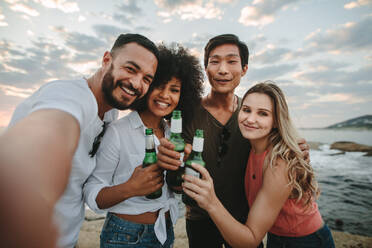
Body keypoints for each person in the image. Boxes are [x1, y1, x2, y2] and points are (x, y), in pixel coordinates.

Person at [0, 33, 159, 248]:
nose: (136, 83)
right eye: (130, 69)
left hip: (68, 238)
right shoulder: (69, 96)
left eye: (146, 79)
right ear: (106, 61)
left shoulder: (110, 113)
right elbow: (49, 132)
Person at [157, 34, 310, 248]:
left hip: (244, 220)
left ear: (244, 69)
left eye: (231, 61)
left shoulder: (252, 119)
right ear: (205, 68)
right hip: (199, 220)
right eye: (215, 61)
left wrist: (296, 148)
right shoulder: (185, 113)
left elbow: (279, 148)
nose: (222, 69)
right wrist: (170, 164)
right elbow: (173, 171)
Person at [183, 82, 335, 248]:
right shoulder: (251, 145)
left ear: (276, 121)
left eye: (263, 114)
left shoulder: (279, 161)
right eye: (246, 110)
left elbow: (251, 240)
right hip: (276, 238)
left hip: (306, 241)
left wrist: (211, 202)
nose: (250, 119)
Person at [83, 44, 204, 248]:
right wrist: (130, 188)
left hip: (165, 232)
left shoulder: (174, 136)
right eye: (159, 86)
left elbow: (173, 188)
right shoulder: (117, 132)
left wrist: (180, 179)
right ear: (146, 86)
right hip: (124, 236)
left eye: (174, 90)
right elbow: (92, 193)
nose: (166, 95)